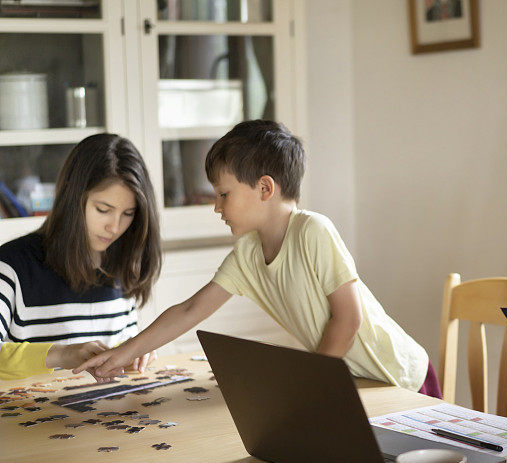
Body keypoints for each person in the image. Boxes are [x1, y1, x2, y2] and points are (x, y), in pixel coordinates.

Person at [76, 120, 439, 397]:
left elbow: (348, 318)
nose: (217, 207)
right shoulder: (248, 254)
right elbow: (190, 311)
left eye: (223, 194)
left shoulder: (313, 230)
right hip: (355, 382)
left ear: (265, 188)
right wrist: (122, 353)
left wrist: (312, 386)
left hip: (402, 378)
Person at [0, 133, 162, 380]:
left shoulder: (121, 264)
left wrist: (134, 353)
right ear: (72, 198)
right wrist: (61, 354)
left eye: (128, 213)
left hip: (106, 415)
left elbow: (119, 351)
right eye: (103, 210)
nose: (115, 227)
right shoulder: (10, 265)